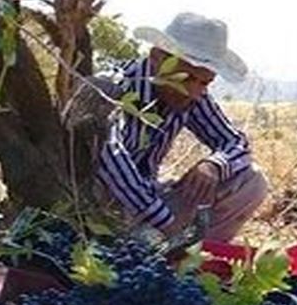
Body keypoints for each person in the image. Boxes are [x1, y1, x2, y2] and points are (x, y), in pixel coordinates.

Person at [95, 12, 268, 243]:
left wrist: (214, 165)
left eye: (205, 83)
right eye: (186, 77)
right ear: (157, 58)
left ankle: (189, 258)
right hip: (101, 209)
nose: (195, 91)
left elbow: (236, 142)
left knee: (251, 181)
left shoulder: (193, 95)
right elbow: (110, 161)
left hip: (151, 200)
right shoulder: (113, 88)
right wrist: (165, 220)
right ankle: (152, 246)